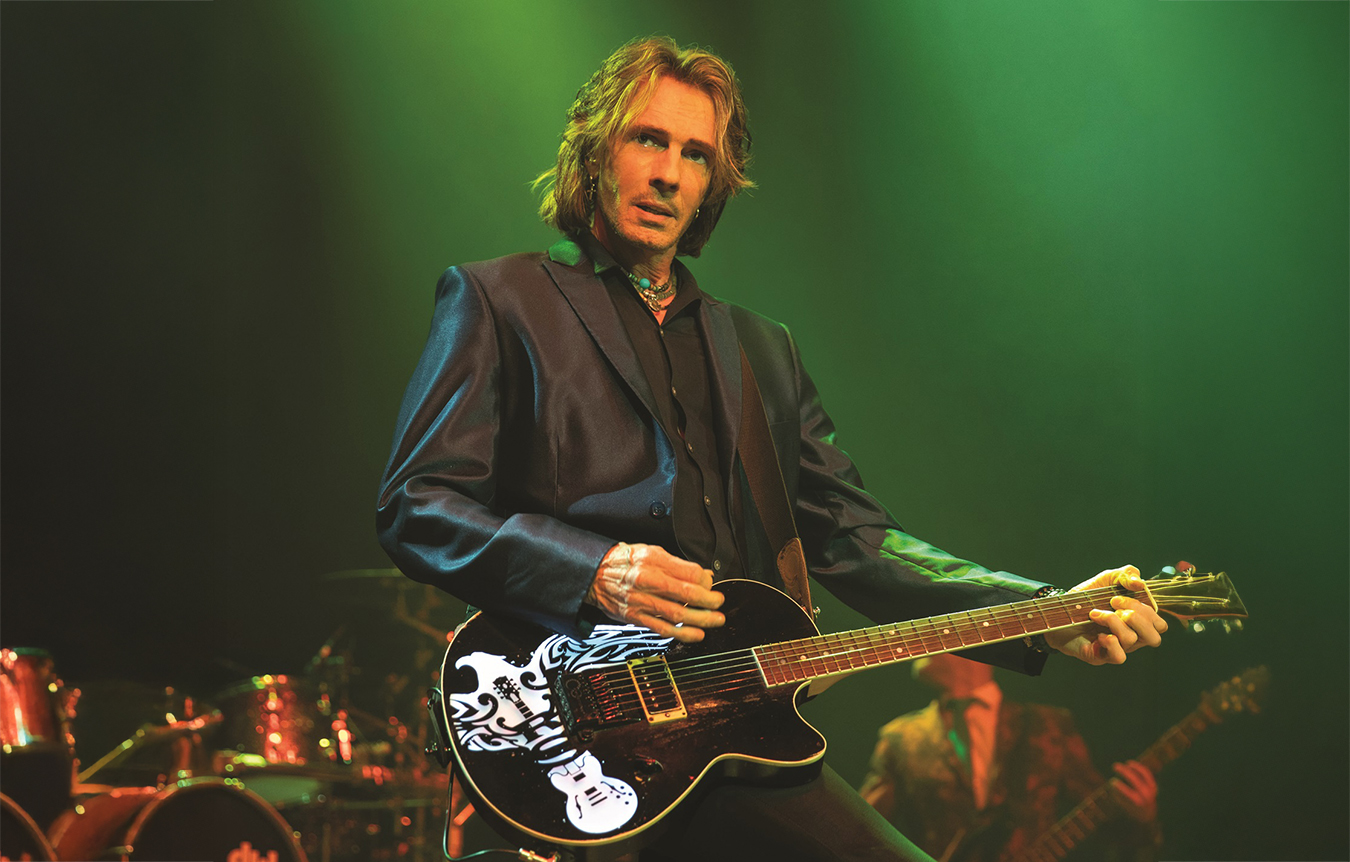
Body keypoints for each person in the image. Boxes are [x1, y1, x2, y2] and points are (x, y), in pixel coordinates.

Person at [376, 35, 1168, 862]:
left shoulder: (761, 350)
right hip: (567, 733)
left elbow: (858, 541)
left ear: (714, 181)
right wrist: (594, 569)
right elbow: (415, 506)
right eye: (647, 139)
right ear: (596, 151)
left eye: (695, 154)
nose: (669, 174)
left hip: (734, 733)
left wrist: (1045, 613)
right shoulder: (499, 299)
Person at [860, 653, 1161, 862]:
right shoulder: (901, 737)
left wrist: (1142, 817)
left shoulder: (1048, 725)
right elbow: (856, 833)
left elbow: (1106, 826)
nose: (916, 640)